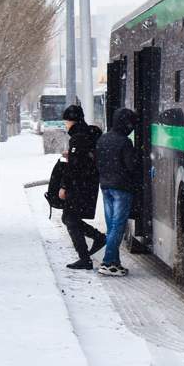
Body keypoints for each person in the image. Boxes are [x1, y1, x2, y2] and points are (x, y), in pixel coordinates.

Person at [59, 104, 106, 270]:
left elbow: (75, 167)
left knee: (70, 219)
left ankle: (85, 257)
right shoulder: (87, 133)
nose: (66, 124)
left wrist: (64, 186)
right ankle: (97, 238)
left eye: (66, 121)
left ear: (72, 120)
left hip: (79, 185)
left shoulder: (78, 137)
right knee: (69, 218)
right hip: (88, 183)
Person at [96, 107, 139, 276]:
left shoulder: (102, 139)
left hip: (105, 187)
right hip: (122, 188)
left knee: (111, 226)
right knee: (118, 226)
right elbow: (131, 166)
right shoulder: (125, 142)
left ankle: (114, 263)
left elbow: (98, 163)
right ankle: (107, 262)